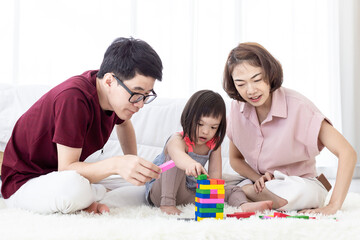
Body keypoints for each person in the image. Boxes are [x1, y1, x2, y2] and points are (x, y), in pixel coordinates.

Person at [1, 37, 163, 214]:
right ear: (109, 81)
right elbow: (67, 169)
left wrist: (134, 164)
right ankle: (92, 197)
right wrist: (117, 164)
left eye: (146, 95)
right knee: (73, 188)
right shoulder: (74, 98)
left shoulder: (110, 94)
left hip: (62, 177)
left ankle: (91, 199)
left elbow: (124, 125)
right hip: (26, 182)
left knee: (146, 188)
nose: (140, 104)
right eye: (137, 94)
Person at [223, 42, 357, 215]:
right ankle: (252, 194)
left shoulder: (298, 106)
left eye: (256, 79)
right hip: (260, 182)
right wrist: (258, 179)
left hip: (299, 183)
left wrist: (333, 206)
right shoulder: (236, 109)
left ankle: (246, 195)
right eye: (241, 84)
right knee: (216, 182)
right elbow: (235, 159)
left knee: (300, 191)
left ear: (270, 74)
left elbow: (347, 152)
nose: (251, 90)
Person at [145, 90, 273, 215]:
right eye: (200, 124)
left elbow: (215, 174)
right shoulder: (177, 140)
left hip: (187, 192)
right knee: (174, 162)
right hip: (161, 192)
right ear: (188, 118)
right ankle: (167, 205)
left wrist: (212, 199)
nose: (206, 132)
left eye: (213, 127)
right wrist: (190, 164)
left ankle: (243, 205)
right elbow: (178, 156)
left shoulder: (213, 144)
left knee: (233, 188)